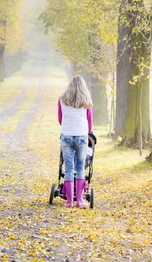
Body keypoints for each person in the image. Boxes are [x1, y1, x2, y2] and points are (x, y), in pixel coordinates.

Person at [58, 75, 93, 208]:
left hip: (66, 135)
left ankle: (69, 201)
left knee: (68, 168)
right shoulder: (87, 101)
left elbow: (60, 118)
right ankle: (79, 201)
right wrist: (86, 131)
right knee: (80, 167)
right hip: (81, 136)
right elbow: (90, 122)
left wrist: (67, 126)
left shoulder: (62, 100)